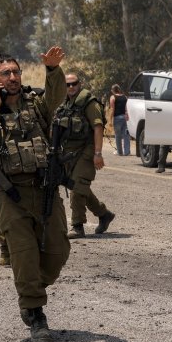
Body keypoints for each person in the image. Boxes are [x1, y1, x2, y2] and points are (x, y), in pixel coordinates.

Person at [0, 47, 68, 342]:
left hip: (43, 189)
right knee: (24, 256)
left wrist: (53, 70)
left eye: (16, 72)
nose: (13, 77)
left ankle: (31, 289)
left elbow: (56, 98)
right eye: (6, 73)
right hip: (9, 195)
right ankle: (35, 314)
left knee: (57, 251)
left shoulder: (35, 104)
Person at [57, 73, 115, 239]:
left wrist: (98, 153)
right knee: (79, 186)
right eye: (67, 85)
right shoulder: (65, 104)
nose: (71, 87)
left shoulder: (89, 103)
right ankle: (104, 215)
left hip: (87, 150)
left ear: (79, 84)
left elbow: (98, 127)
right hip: (70, 153)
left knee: (77, 187)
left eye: (74, 84)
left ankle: (77, 226)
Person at [109, 84, 130, 156]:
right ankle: (127, 152)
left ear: (113, 90)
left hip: (117, 118)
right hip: (124, 117)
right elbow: (127, 108)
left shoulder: (113, 97)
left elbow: (112, 109)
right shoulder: (125, 97)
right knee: (126, 135)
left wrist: (110, 120)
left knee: (118, 136)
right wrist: (127, 116)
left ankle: (119, 152)